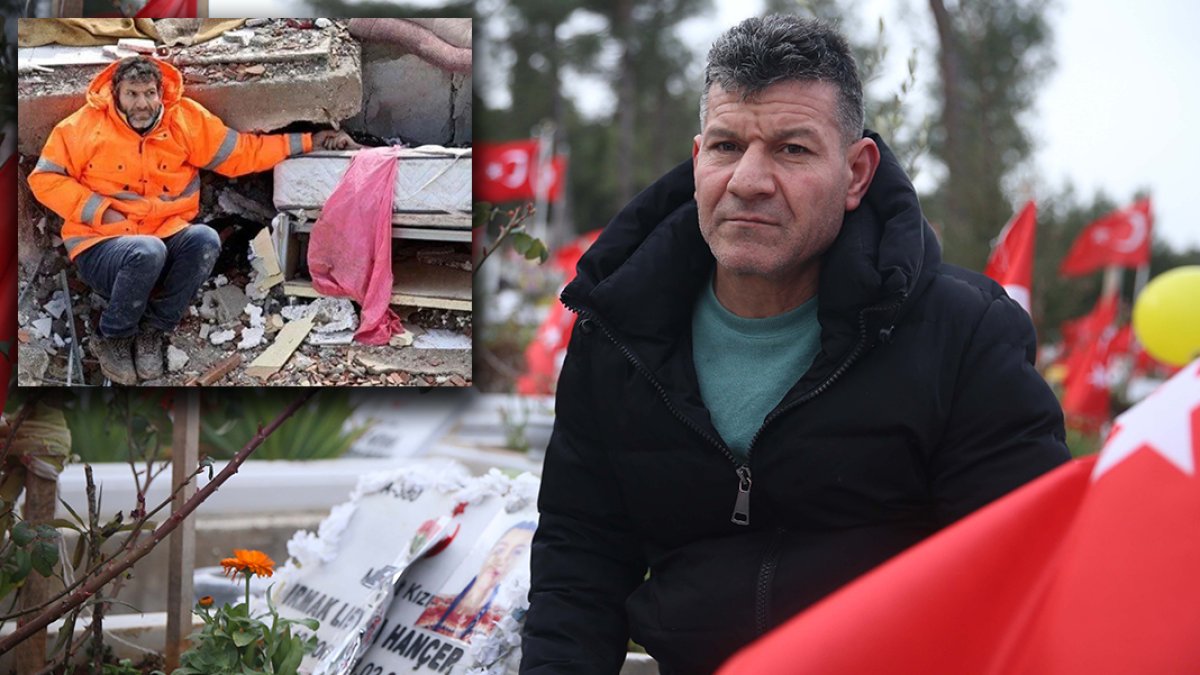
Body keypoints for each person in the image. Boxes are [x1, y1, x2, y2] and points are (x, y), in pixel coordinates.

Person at [520, 15, 1070, 675]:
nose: (749, 179)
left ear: (857, 172)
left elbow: (1020, 578)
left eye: (792, 149)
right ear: (698, 161)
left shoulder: (966, 337)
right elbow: (579, 567)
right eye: (727, 145)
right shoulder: (617, 332)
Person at [28, 55, 356, 384]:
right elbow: (44, 179)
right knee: (147, 251)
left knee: (205, 240)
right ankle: (113, 337)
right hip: (101, 246)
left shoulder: (184, 120)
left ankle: (153, 332)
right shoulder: (83, 126)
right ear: (116, 94)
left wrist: (311, 142)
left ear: (160, 93)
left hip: (163, 239)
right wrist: (99, 210)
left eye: (150, 93)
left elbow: (242, 153)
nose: (142, 104)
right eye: (132, 94)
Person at [415, 521, 536, 643]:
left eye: (517, 553)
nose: (502, 559)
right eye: (500, 549)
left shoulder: (501, 622)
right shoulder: (437, 605)